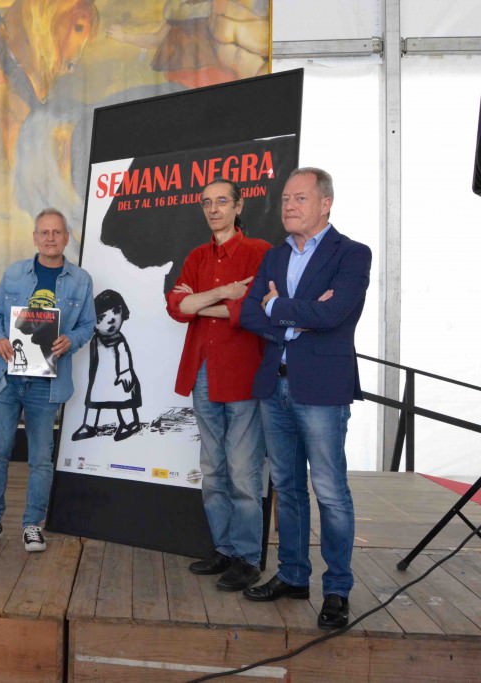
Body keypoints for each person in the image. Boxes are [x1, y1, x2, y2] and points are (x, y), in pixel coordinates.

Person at [239, 167, 371, 630]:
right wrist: (294, 314)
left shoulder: (352, 254)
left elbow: (335, 313)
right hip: (274, 385)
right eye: (285, 199)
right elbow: (250, 313)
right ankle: (294, 575)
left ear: (325, 204)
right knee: (288, 488)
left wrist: (279, 307)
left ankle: (337, 590)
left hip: (321, 389)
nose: (288, 206)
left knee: (331, 492)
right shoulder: (275, 257)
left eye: (299, 198)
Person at [165, 177, 271, 592]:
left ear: (238, 206)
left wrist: (203, 302)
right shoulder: (195, 256)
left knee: (243, 472)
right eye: (207, 202)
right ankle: (224, 549)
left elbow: (253, 310)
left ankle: (247, 558)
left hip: (242, 374)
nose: (213, 209)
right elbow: (176, 307)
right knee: (212, 468)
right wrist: (224, 293)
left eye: (222, 201)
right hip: (202, 372)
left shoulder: (259, 252)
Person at [0, 208, 94, 555]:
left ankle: (32, 525)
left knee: (41, 458)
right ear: (35, 237)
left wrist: (72, 339)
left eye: (57, 232)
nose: (50, 238)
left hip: (47, 382)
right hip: (8, 378)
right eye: (44, 232)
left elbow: (87, 325)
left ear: (67, 237)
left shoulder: (80, 280)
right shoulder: (14, 274)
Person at [72, 289, 143, 442]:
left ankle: (130, 423)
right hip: (100, 379)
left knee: (124, 401)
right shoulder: (94, 340)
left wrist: (125, 372)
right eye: (101, 318)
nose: (111, 320)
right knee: (93, 401)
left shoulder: (119, 340)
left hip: (119, 379)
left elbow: (123, 356)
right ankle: (89, 425)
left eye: (116, 311)